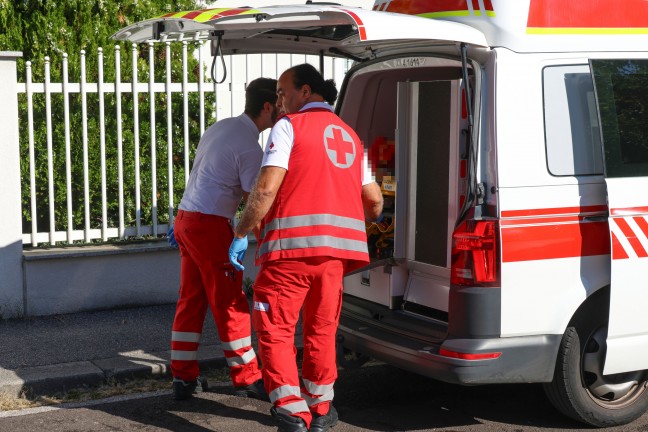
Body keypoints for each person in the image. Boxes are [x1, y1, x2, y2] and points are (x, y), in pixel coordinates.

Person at [228, 64, 383, 432]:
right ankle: (321, 405)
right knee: (322, 328)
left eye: (283, 92)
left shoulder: (288, 127)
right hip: (334, 259)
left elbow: (264, 190)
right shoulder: (350, 135)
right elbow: (374, 202)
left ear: (306, 91)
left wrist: (241, 231)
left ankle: (290, 408)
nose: (279, 101)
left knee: (277, 328)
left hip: (289, 254)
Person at [167, 77, 279, 401]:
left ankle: (183, 377)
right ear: (267, 106)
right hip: (210, 225)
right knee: (230, 300)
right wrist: (269, 246)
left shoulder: (222, 127)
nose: (283, 114)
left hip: (186, 219)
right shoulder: (249, 146)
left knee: (191, 299)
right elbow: (255, 202)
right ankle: (247, 378)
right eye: (280, 106)